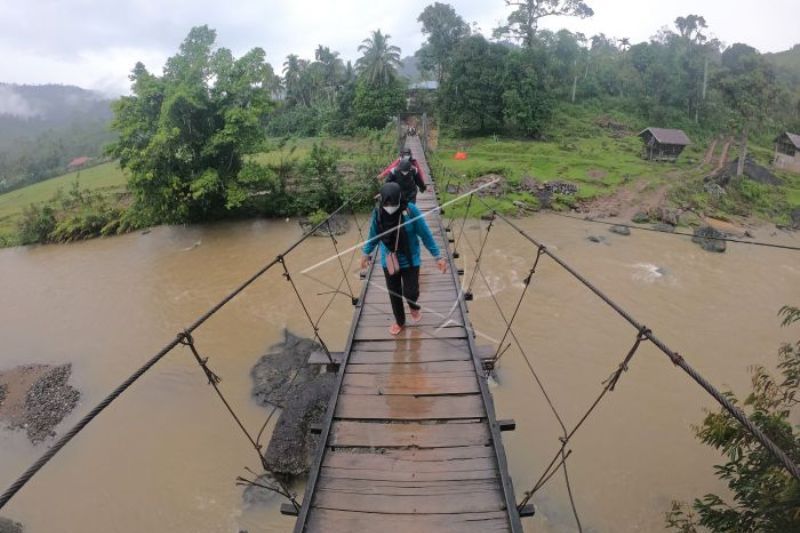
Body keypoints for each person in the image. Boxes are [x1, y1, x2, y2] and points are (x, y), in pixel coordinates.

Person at [361, 182, 447, 335]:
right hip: (389, 260)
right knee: (394, 293)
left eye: (393, 203)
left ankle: (413, 306)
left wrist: (437, 257)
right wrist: (366, 253)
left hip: (410, 258)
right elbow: (374, 235)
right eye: (386, 204)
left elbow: (425, 234)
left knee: (411, 292)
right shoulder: (378, 213)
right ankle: (400, 321)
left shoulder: (411, 210)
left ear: (400, 199)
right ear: (382, 201)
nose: (390, 207)